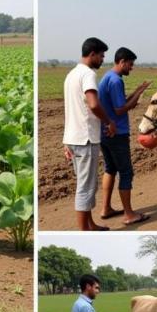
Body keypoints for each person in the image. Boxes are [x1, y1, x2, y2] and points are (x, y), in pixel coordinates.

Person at [63, 37, 116, 231]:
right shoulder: (88, 75)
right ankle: (84, 231)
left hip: (73, 137)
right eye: (101, 56)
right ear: (92, 54)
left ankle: (90, 224)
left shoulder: (71, 74)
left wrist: (65, 140)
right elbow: (93, 104)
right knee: (85, 187)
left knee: (87, 184)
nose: (103, 59)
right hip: (85, 139)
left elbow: (70, 109)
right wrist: (108, 122)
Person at [97, 47, 151, 225]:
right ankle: (129, 214)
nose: (131, 67)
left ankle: (106, 208)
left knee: (110, 168)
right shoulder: (116, 81)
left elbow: (119, 102)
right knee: (126, 172)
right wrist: (137, 98)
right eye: (130, 64)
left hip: (104, 133)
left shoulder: (108, 77)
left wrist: (137, 91)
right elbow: (120, 109)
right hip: (117, 133)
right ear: (122, 62)